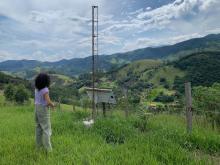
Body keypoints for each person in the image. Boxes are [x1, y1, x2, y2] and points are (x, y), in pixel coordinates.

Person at [34, 73, 55, 152]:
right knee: (46, 129)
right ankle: (48, 149)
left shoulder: (36, 88)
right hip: (43, 109)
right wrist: (53, 105)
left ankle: (38, 146)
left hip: (36, 108)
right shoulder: (45, 90)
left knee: (38, 127)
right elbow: (48, 101)